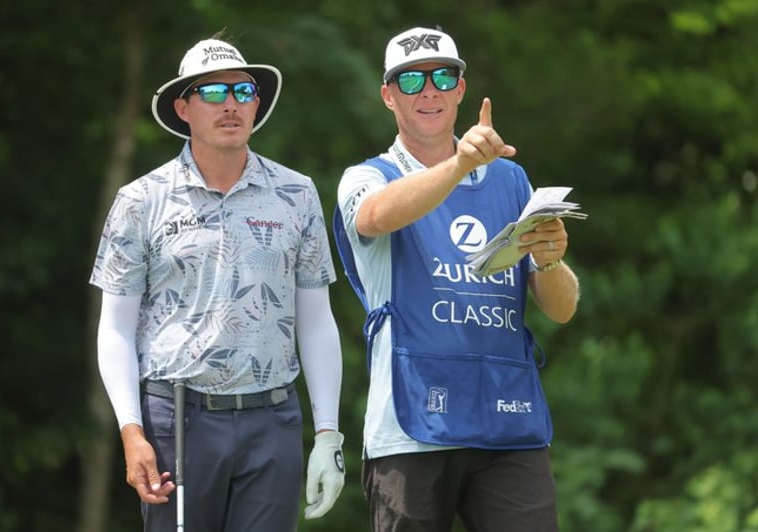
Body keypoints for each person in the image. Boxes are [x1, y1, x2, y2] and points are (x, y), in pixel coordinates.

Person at [90, 31, 345, 531]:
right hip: (175, 421)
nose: (231, 105)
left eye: (243, 92)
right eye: (213, 93)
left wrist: (328, 434)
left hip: (272, 419)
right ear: (183, 108)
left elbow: (317, 321)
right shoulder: (140, 201)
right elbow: (115, 328)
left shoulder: (298, 193)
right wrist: (131, 431)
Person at [334, 26, 580, 531]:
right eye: (411, 80)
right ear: (387, 95)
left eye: (444, 76)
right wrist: (458, 163)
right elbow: (377, 217)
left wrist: (553, 260)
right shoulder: (368, 176)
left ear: (461, 89)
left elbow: (561, 308)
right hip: (412, 428)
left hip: (507, 421)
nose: (430, 90)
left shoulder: (511, 179)